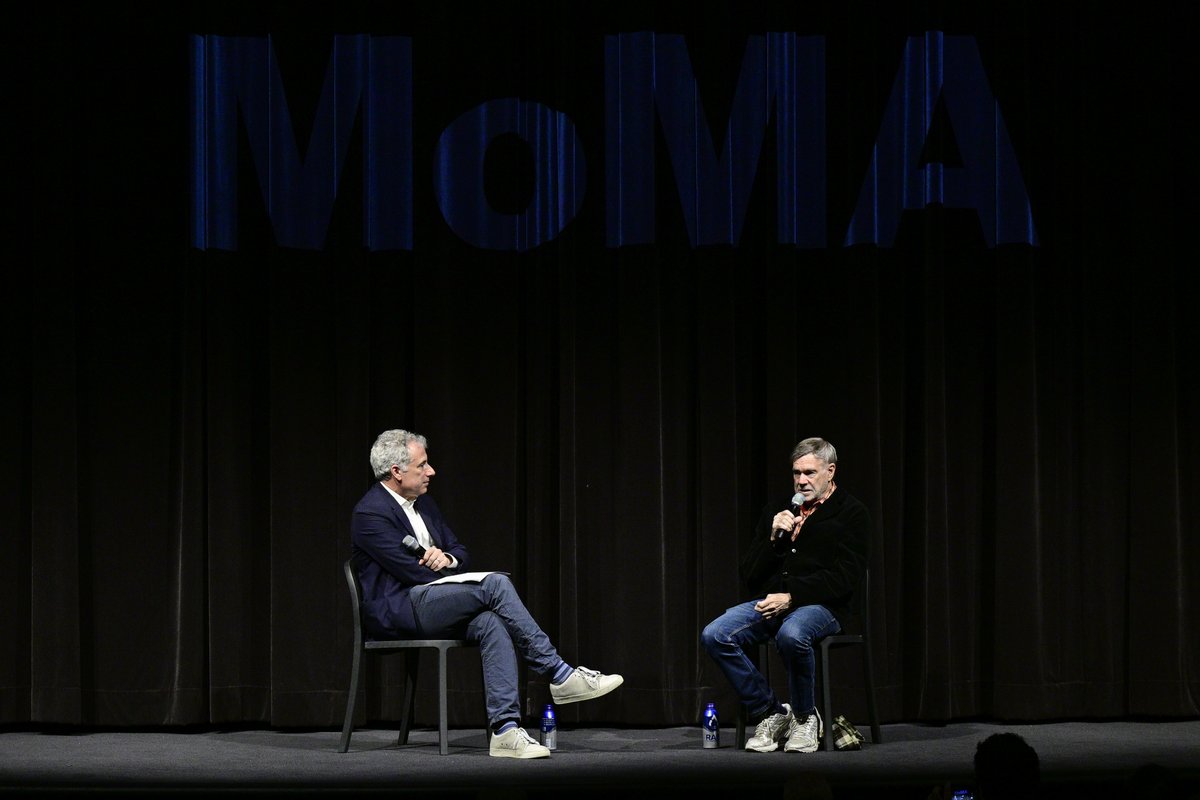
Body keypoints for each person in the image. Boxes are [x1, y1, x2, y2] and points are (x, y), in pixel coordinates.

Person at [351, 429, 623, 759]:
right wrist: (439, 564)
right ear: (396, 471)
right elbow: (410, 572)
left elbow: (460, 551)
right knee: (495, 584)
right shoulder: (370, 514)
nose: (431, 471)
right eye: (422, 465)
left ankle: (505, 730)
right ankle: (560, 674)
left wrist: (446, 558)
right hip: (400, 609)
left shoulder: (425, 503)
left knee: (491, 621)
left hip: (434, 599)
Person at [701, 438, 870, 753]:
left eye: (810, 473)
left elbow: (845, 577)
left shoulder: (851, 512)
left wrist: (791, 597)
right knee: (716, 634)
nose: (802, 481)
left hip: (825, 606)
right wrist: (770, 538)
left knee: (792, 635)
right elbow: (750, 573)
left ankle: (806, 718)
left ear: (830, 471)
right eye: (796, 473)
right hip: (775, 602)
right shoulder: (780, 508)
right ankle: (772, 712)